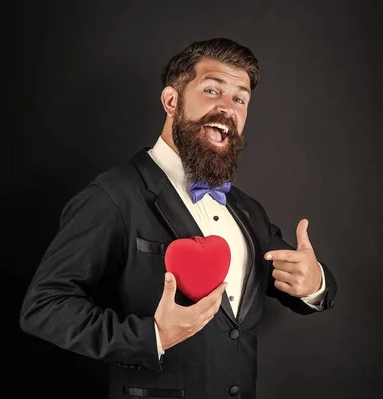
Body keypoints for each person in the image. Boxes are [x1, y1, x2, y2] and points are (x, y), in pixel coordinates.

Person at [19, 37, 337, 399]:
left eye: (239, 98)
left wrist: (316, 284)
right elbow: (44, 308)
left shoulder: (249, 210)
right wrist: (151, 336)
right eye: (212, 90)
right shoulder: (113, 195)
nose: (227, 108)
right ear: (172, 101)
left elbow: (294, 278)